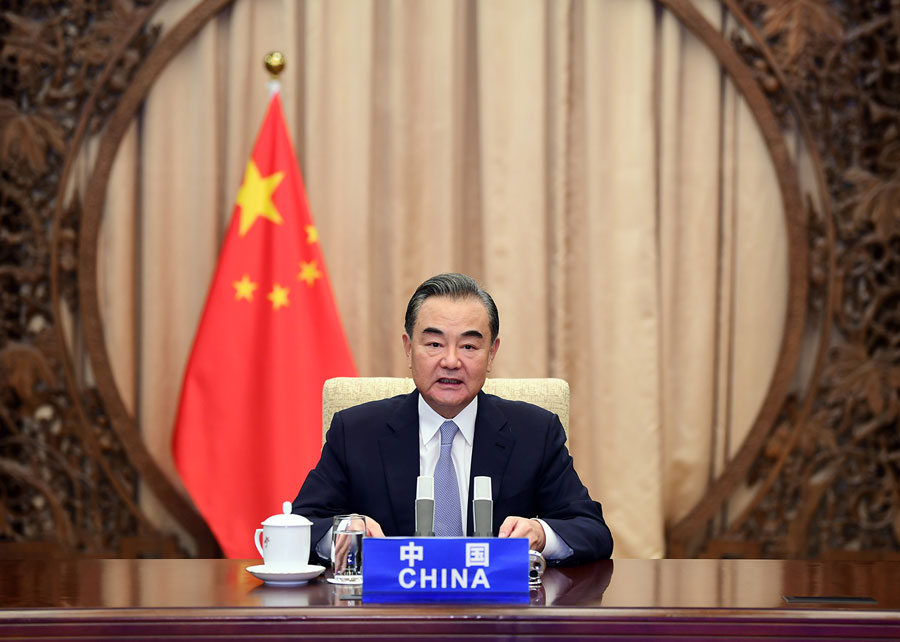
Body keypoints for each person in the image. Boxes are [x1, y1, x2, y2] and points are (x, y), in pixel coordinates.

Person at [292, 273, 613, 566]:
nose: (450, 361)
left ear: (491, 354)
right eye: (434, 344)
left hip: (496, 607)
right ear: (408, 349)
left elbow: (591, 529)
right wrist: (344, 531)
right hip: (392, 606)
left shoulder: (534, 432)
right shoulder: (356, 431)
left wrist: (540, 533)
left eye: (469, 346)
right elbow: (302, 524)